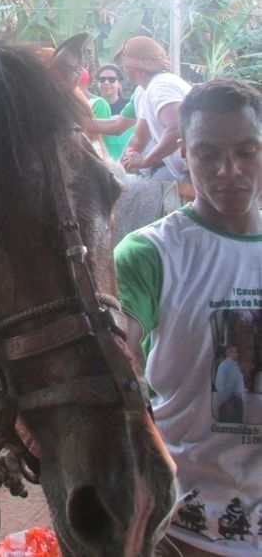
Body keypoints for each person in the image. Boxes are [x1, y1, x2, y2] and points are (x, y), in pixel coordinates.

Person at [115, 79, 262, 556]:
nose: (229, 171)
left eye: (247, 151)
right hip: (181, 530)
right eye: (206, 154)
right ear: (182, 153)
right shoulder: (150, 253)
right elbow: (117, 348)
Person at [116, 36, 191, 181]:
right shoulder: (146, 90)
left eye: (124, 67)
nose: (124, 70)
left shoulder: (160, 87)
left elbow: (177, 128)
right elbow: (138, 139)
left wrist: (145, 161)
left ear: (132, 67)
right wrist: (118, 172)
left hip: (196, 173)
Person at [95, 63, 134, 160]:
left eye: (112, 79)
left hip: (126, 160)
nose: (106, 83)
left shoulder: (130, 106)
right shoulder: (93, 105)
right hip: (101, 160)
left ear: (120, 84)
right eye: (102, 79)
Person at [215, 345, 245, 423]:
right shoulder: (225, 365)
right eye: (234, 352)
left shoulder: (234, 366)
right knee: (230, 425)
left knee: (237, 425)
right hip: (230, 401)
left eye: (237, 352)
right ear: (228, 353)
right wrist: (226, 401)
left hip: (236, 400)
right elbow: (220, 385)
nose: (236, 354)